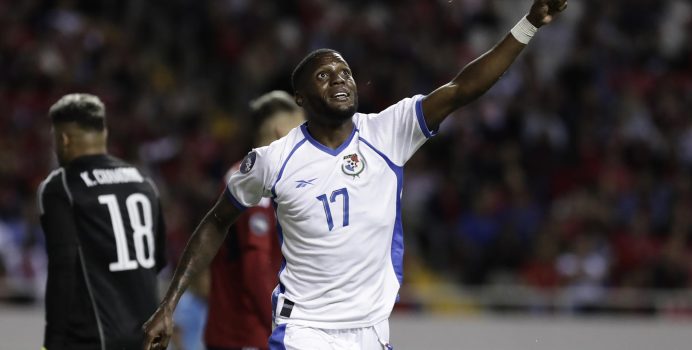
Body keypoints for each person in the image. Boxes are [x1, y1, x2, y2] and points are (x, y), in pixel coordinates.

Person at [144, 1, 567, 349]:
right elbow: (217, 220)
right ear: (301, 98)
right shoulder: (274, 160)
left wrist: (529, 24)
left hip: (371, 331)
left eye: (344, 71)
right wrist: (169, 304)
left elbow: (462, 88)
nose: (340, 79)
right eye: (324, 76)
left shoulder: (388, 131)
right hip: (305, 331)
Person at [38, 93, 166, 350]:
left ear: (63, 139)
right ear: (103, 133)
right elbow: (159, 260)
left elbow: (63, 267)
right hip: (146, 338)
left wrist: (52, 343)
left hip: (92, 339)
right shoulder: (142, 182)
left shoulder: (61, 186)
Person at [204, 91, 305, 350]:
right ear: (281, 132)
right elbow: (255, 266)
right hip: (245, 334)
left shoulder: (273, 179)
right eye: (301, 130)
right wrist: (281, 327)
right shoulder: (249, 178)